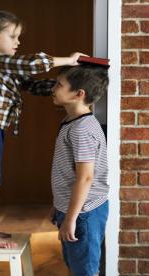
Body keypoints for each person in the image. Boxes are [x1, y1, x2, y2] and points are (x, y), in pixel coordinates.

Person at [0, 10, 84, 248]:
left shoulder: (2, 66)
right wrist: (68, 60)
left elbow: (32, 85)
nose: (18, 42)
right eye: (13, 36)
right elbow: (32, 63)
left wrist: (68, 84)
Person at [50, 65, 109, 276]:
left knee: (84, 270)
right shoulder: (70, 122)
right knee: (74, 264)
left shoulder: (82, 129)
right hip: (72, 210)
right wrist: (58, 206)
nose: (53, 88)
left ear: (79, 94)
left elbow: (85, 178)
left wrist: (71, 218)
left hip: (84, 213)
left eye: (59, 84)